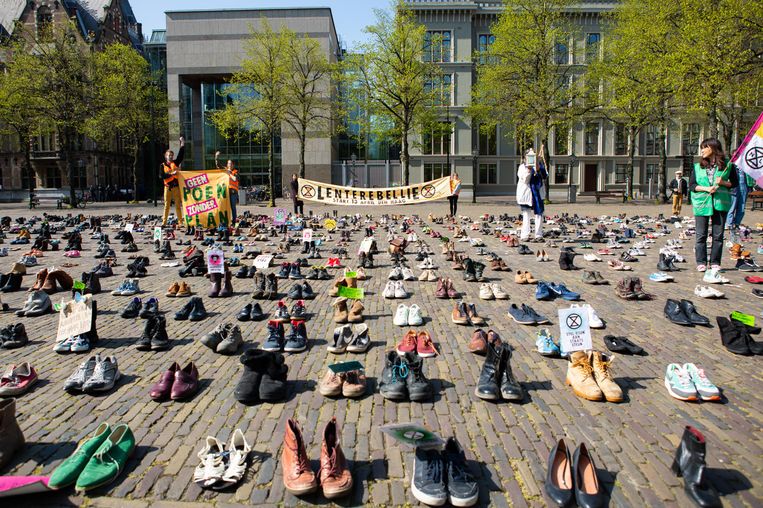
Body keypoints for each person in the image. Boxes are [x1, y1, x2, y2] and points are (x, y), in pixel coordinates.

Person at [690, 137, 738, 274]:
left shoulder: (728, 166)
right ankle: (701, 262)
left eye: (705, 147)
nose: (702, 151)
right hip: (702, 204)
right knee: (701, 235)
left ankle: (715, 262)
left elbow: (734, 184)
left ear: (713, 148)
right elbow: (692, 185)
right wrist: (706, 189)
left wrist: (723, 182)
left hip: (720, 203)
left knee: (718, 235)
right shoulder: (697, 166)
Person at [516, 155, 547, 241]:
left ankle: (539, 235)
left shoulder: (540, 166)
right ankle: (525, 235)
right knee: (526, 214)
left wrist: (539, 169)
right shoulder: (522, 167)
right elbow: (525, 180)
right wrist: (529, 169)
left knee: (539, 214)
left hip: (538, 194)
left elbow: (545, 176)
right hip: (526, 194)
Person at [161, 136, 185, 226]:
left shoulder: (175, 163)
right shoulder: (162, 165)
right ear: (166, 156)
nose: (170, 157)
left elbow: (181, 155)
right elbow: (161, 176)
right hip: (167, 187)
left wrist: (182, 143)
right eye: (169, 155)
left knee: (178, 205)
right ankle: (164, 222)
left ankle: (180, 222)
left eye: (171, 155)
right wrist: (172, 174)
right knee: (166, 206)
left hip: (175, 187)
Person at [727, 163, 755, 229]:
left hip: (744, 187)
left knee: (741, 208)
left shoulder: (746, 166)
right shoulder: (731, 165)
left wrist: (750, 185)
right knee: (732, 207)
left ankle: (737, 223)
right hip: (734, 188)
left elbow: (751, 176)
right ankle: (729, 223)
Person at [215, 151, 239, 224]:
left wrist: (229, 173)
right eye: (229, 163)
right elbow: (218, 165)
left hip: (233, 193)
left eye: (231, 164)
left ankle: (234, 221)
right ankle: (226, 221)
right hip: (225, 192)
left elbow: (235, 179)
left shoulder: (235, 171)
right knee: (225, 207)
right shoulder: (225, 170)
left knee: (233, 207)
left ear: (233, 165)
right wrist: (216, 157)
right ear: (227, 165)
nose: (230, 165)